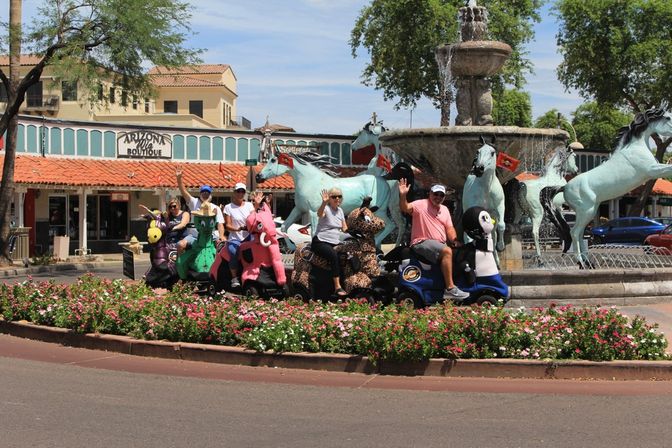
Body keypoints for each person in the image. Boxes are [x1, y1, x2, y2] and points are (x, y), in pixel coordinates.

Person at [398, 179, 470, 301]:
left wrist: (454, 240)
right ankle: (450, 288)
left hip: (438, 245)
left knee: (461, 252)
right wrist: (403, 195)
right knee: (447, 251)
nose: (438, 197)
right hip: (421, 242)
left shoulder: (445, 210)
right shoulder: (420, 204)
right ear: (430, 194)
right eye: (435, 194)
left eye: (441, 195)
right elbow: (405, 207)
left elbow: (450, 228)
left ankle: (460, 284)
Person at [176, 169, 226, 253]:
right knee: (180, 245)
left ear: (210, 195)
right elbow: (183, 191)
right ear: (200, 194)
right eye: (203, 193)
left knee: (223, 247)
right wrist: (179, 179)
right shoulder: (194, 202)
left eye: (207, 193)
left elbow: (220, 224)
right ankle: (180, 266)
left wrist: (221, 236)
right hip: (194, 236)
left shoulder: (215, 208)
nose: (205, 194)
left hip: (211, 236)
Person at [224, 182, 263, 288]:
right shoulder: (228, 207)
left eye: (242, 191)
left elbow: (254, 219)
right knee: (233, 252)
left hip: (249, 236)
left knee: (259, 250)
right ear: (234, 192)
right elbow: (227, 225)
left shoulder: (250, 205)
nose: (240, 193)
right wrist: (238, 229)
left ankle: (256, 274)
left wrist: (257, 205)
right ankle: (234, 278)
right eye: (238, 191)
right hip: (234, 238)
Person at [311, 188, 348, 297]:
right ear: (329, 199)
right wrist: (323, 202)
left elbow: (344, 228)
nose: (337, 198)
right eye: (334, 196)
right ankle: (337, 287)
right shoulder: (326, 209)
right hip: (320, 241)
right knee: (333, 255)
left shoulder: (340, 211)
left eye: (339, 196)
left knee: (347, 254)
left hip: (334, 242)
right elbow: (319, 214)